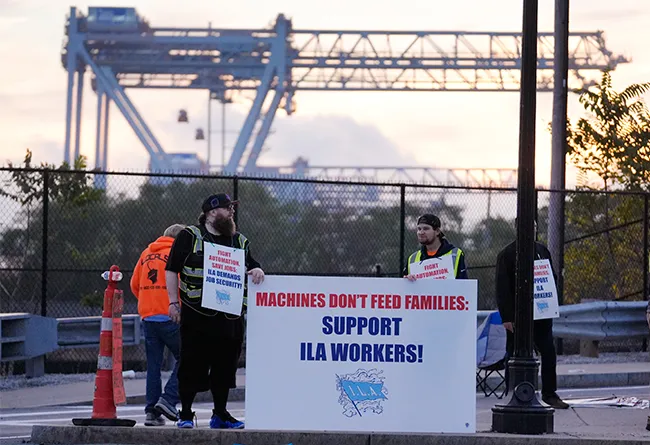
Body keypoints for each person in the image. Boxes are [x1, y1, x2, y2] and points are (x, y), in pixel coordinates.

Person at [165, 193, 265, 429]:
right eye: (226, 208)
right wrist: (172, 302)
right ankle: (186, 414)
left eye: (232, 208)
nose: (231, 212)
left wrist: (258, 269)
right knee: (191, 365)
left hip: (229, 317)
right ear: (211, 212)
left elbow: (252, 263)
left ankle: (220, 414)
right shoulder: (190, 236)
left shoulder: (239, 241)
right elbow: (171, 269)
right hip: (196, 314)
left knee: (225, 368)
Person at [495, 227, 569, 410]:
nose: (530, 231)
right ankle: (512, 392)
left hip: (541, 314)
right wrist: (507, 317)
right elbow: (502, 288)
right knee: (513, 354)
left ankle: (550, 394)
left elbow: (552, 278)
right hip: (517, 317)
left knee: (549, 352)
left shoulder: (542, 251)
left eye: (534, 228)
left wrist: (551, 303)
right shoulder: (507, 254)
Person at [130, 224, 185, 426]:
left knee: (153, 366)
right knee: (189, 357)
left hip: (148, 317)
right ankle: (168, 399)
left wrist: (148, 301)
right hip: (171, 316)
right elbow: (183, 285)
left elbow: (134, 284)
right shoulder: (178, 253)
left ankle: (151, 412)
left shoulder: (147, 253)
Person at [403, 213, 468, 280]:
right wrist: (406, 281)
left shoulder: (456, 254)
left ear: (437, 231)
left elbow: (463, 285)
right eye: (419, 229)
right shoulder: (412, 259)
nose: (421, 232)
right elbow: (403, 288)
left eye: (426, 229)